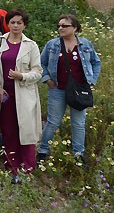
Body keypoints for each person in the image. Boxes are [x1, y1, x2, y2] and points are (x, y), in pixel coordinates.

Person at [37, 14, 102, 164]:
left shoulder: (85, 44)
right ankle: (42, 152)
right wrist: (47, 79)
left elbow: (96, 62)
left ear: (74, 28)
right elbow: (41, 63)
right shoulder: (52, 44)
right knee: (53, 122)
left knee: (78, 123)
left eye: (64, 26)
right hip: (58, 89)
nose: (60, 28)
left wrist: (91, 80)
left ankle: (78, 155)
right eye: (59, 25)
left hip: (79, 90)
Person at [0, 10, 42, 182]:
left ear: (24, 25)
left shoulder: (31, 45)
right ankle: (11, 168)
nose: (16, 26)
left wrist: (22, 76)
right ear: (8, 24)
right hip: (5, 96)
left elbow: (38, 72)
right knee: (8, 131)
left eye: (20, 23)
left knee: (26, 131)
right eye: (13, 22)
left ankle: (27, 168)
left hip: (25, 95)